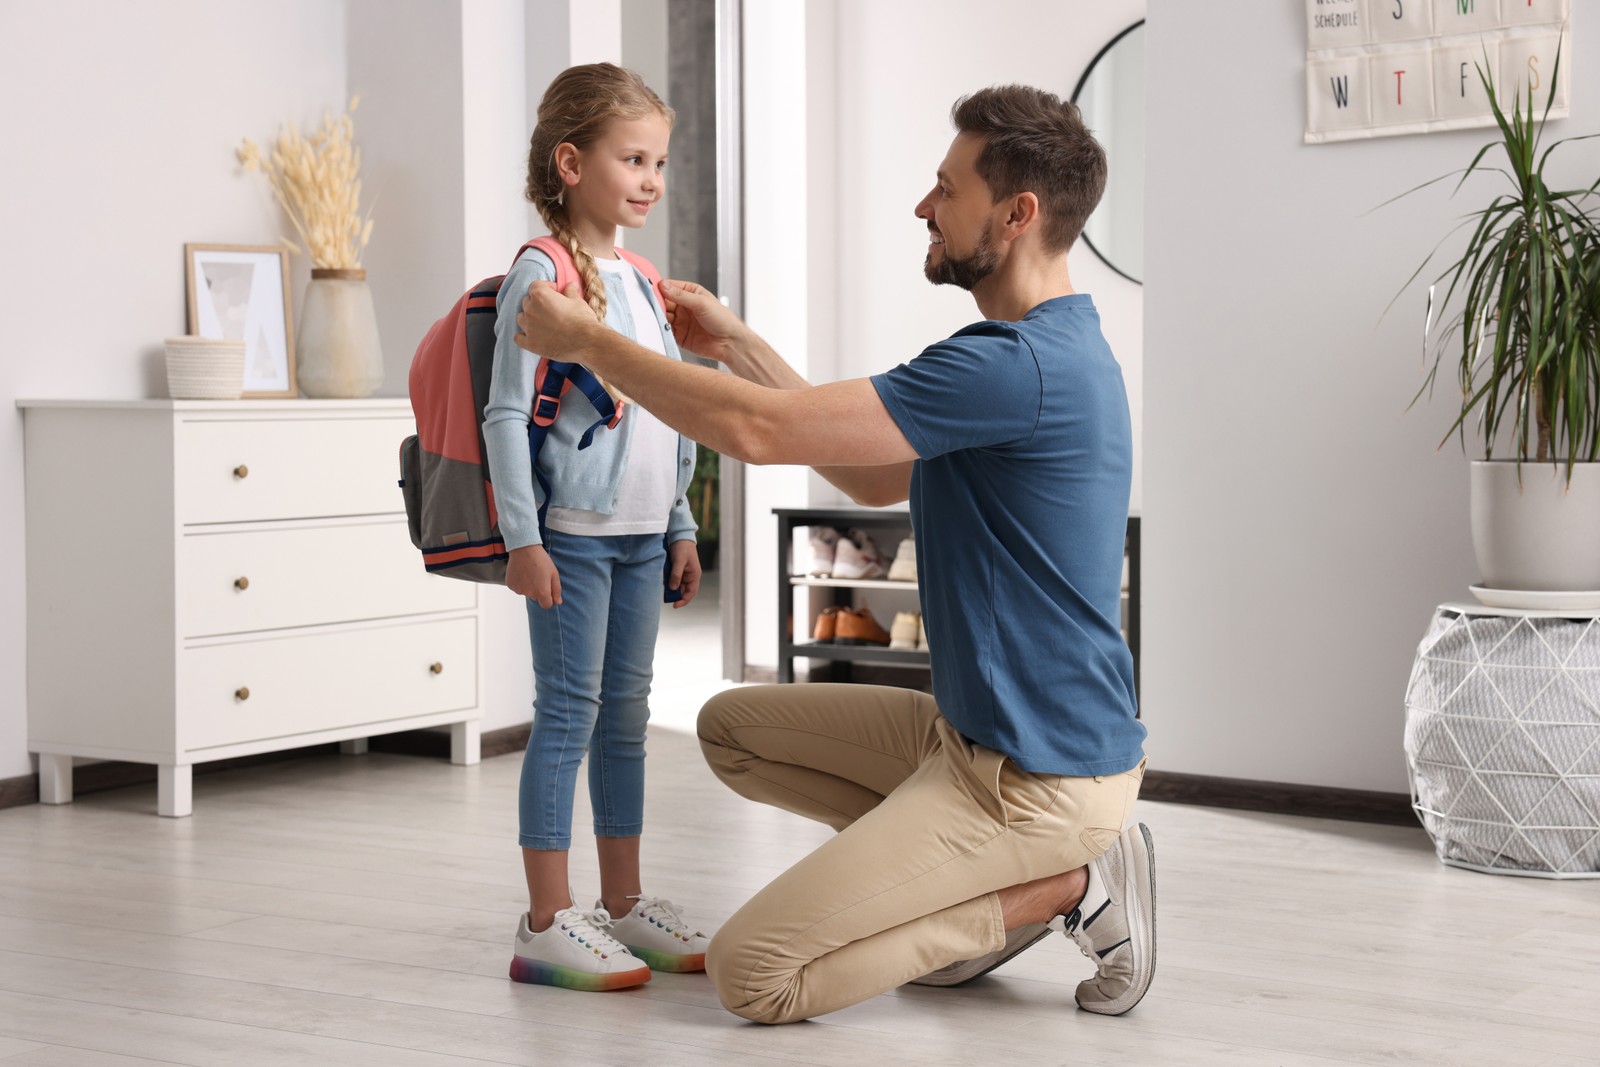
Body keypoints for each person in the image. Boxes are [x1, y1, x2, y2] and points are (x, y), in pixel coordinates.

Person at [514, 83, 1152, 1023]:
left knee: (755, 974)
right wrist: (733, 343)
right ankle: (958, 880)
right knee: (729, 728)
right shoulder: (1035, 348)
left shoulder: (1010, 366)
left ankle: (1060, 888)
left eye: (947, 187)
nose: (924, 207)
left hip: (1038, 785)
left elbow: (757, 435)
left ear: (1016, 215)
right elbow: (871, 478)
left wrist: (590, 341)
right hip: (966, 741)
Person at [484, 62, 711, 993]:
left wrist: (683, 522)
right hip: (571, 534)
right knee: (569, 717)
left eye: (659, 160)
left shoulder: (646, 283)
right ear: (572, 163)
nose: (652, 179)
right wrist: (523, 539)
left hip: (640, 535)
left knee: (627, 719)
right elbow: (505, 413)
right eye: (634, 158)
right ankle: (546, 919)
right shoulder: (541, 276)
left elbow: (674, 411)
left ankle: (622, 905)